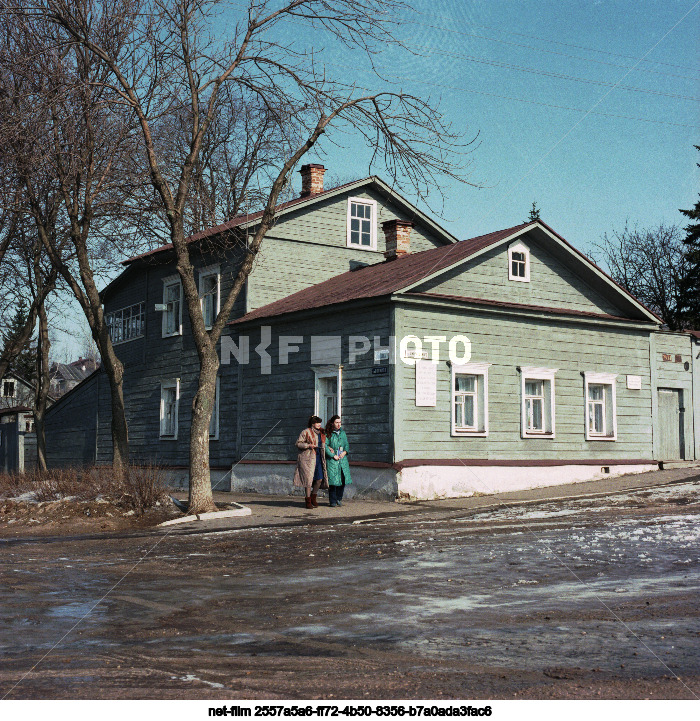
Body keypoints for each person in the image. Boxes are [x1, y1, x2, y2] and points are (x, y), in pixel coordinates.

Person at [293, 415, 328, 509]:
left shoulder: (322, 433)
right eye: (317, 423)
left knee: (320, 479)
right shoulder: (306, 432)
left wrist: (330, 449)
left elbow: (325, 444)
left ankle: (314, 496)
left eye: (320, 422)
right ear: (313, 424)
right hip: (308, 459)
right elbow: (298, 443)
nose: (319, 424)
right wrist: (308, 445)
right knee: (308, 480)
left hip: (319, 458)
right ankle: (308, 500)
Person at [325, 415, 352, 507]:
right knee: (333, 481)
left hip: (342, 460)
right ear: (332, 423)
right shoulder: (328, 433)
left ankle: (339, 498)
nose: (338, 424)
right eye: (337, 422)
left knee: (342, 480)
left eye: (340, 422)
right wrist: (333, 455)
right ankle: (332, 500)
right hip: (333, 460)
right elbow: (325, 446)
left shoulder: (343, 433)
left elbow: (346, 445)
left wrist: (344, 452)